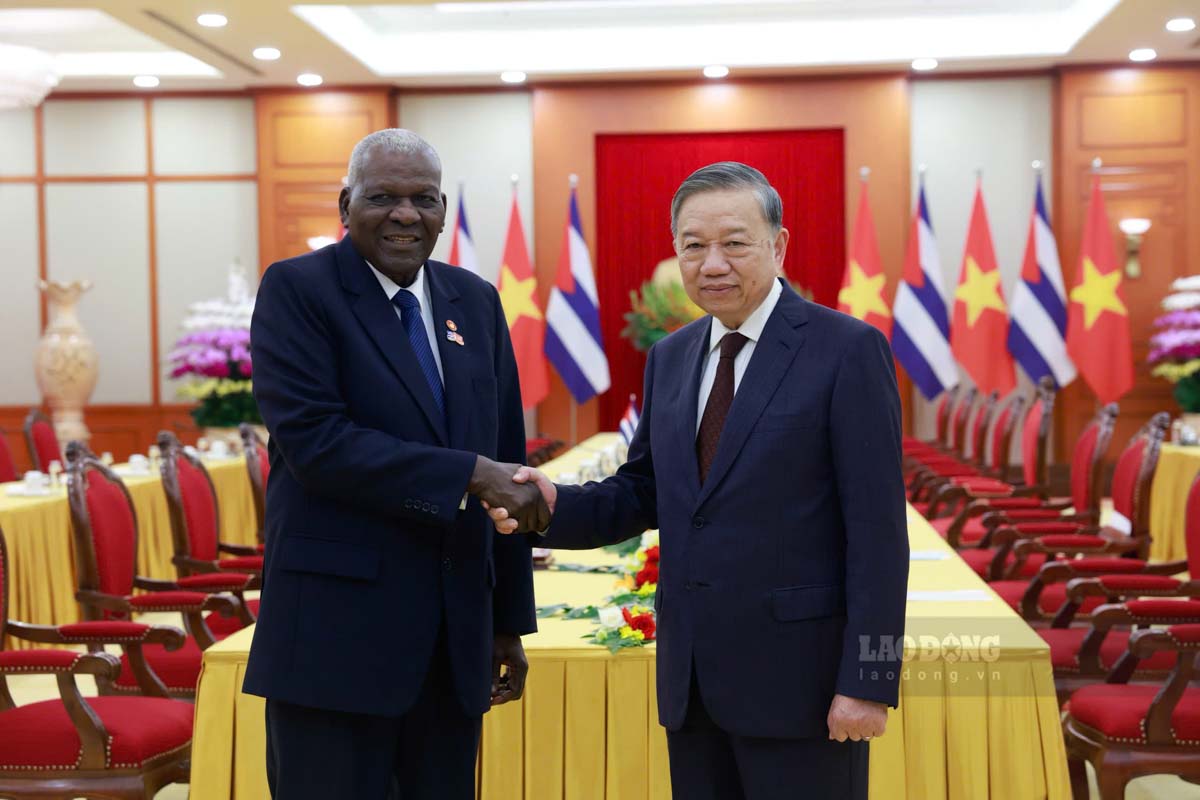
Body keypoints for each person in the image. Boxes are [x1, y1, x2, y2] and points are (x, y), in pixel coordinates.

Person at [489, 162, 908, 799]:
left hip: (806, 687)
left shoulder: (846, 350)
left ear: (778, 245)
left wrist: (869, 682)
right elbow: (644, 491)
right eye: (693, 245)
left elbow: (879, 538)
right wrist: (551, 506)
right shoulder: (672, 357)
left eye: (735, 242)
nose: (713, 263)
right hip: (694, 687)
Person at [243, 128, 549, 800]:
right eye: (382, 196)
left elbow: (509, 466)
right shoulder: (299, 290)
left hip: (453, 643)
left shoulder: (476, 299)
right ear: (345, 202)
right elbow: (317, 444)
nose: (405, 213)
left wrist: (506, 623)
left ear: (442, 209)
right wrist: (468, 473)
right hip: (334, 644)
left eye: (423, 199)